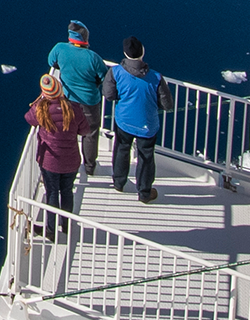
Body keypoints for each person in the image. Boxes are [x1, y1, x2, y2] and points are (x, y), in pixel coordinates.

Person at [103, 36, 173, 202]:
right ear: (142, 53)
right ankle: (144, 192)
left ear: (125, 54)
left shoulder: (115, 72)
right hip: (147, 125)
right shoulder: (156, 77)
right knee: (146, 157)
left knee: (121, 149)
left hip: (124, 121)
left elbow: (109, 95)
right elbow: (167, 104)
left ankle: (119, 183)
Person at [24, 74, 93, 240]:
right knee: (67, 191)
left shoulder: (41, 109)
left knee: (52, 193)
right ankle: (67, 225)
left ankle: (50, 230)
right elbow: (85, 130)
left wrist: (38, 101)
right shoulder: (74, 108)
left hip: (50, 161)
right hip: (71, 160)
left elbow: (29, 119)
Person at [47, 19, 108, 175]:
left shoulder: (59, 48)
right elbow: (104, 77)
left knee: (69, 131)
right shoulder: (93, 57)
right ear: (85, 38)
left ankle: (70, 163)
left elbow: (51, 62)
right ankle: (89, 167)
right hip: (89, 102)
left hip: (68, 100)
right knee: (90, 133)